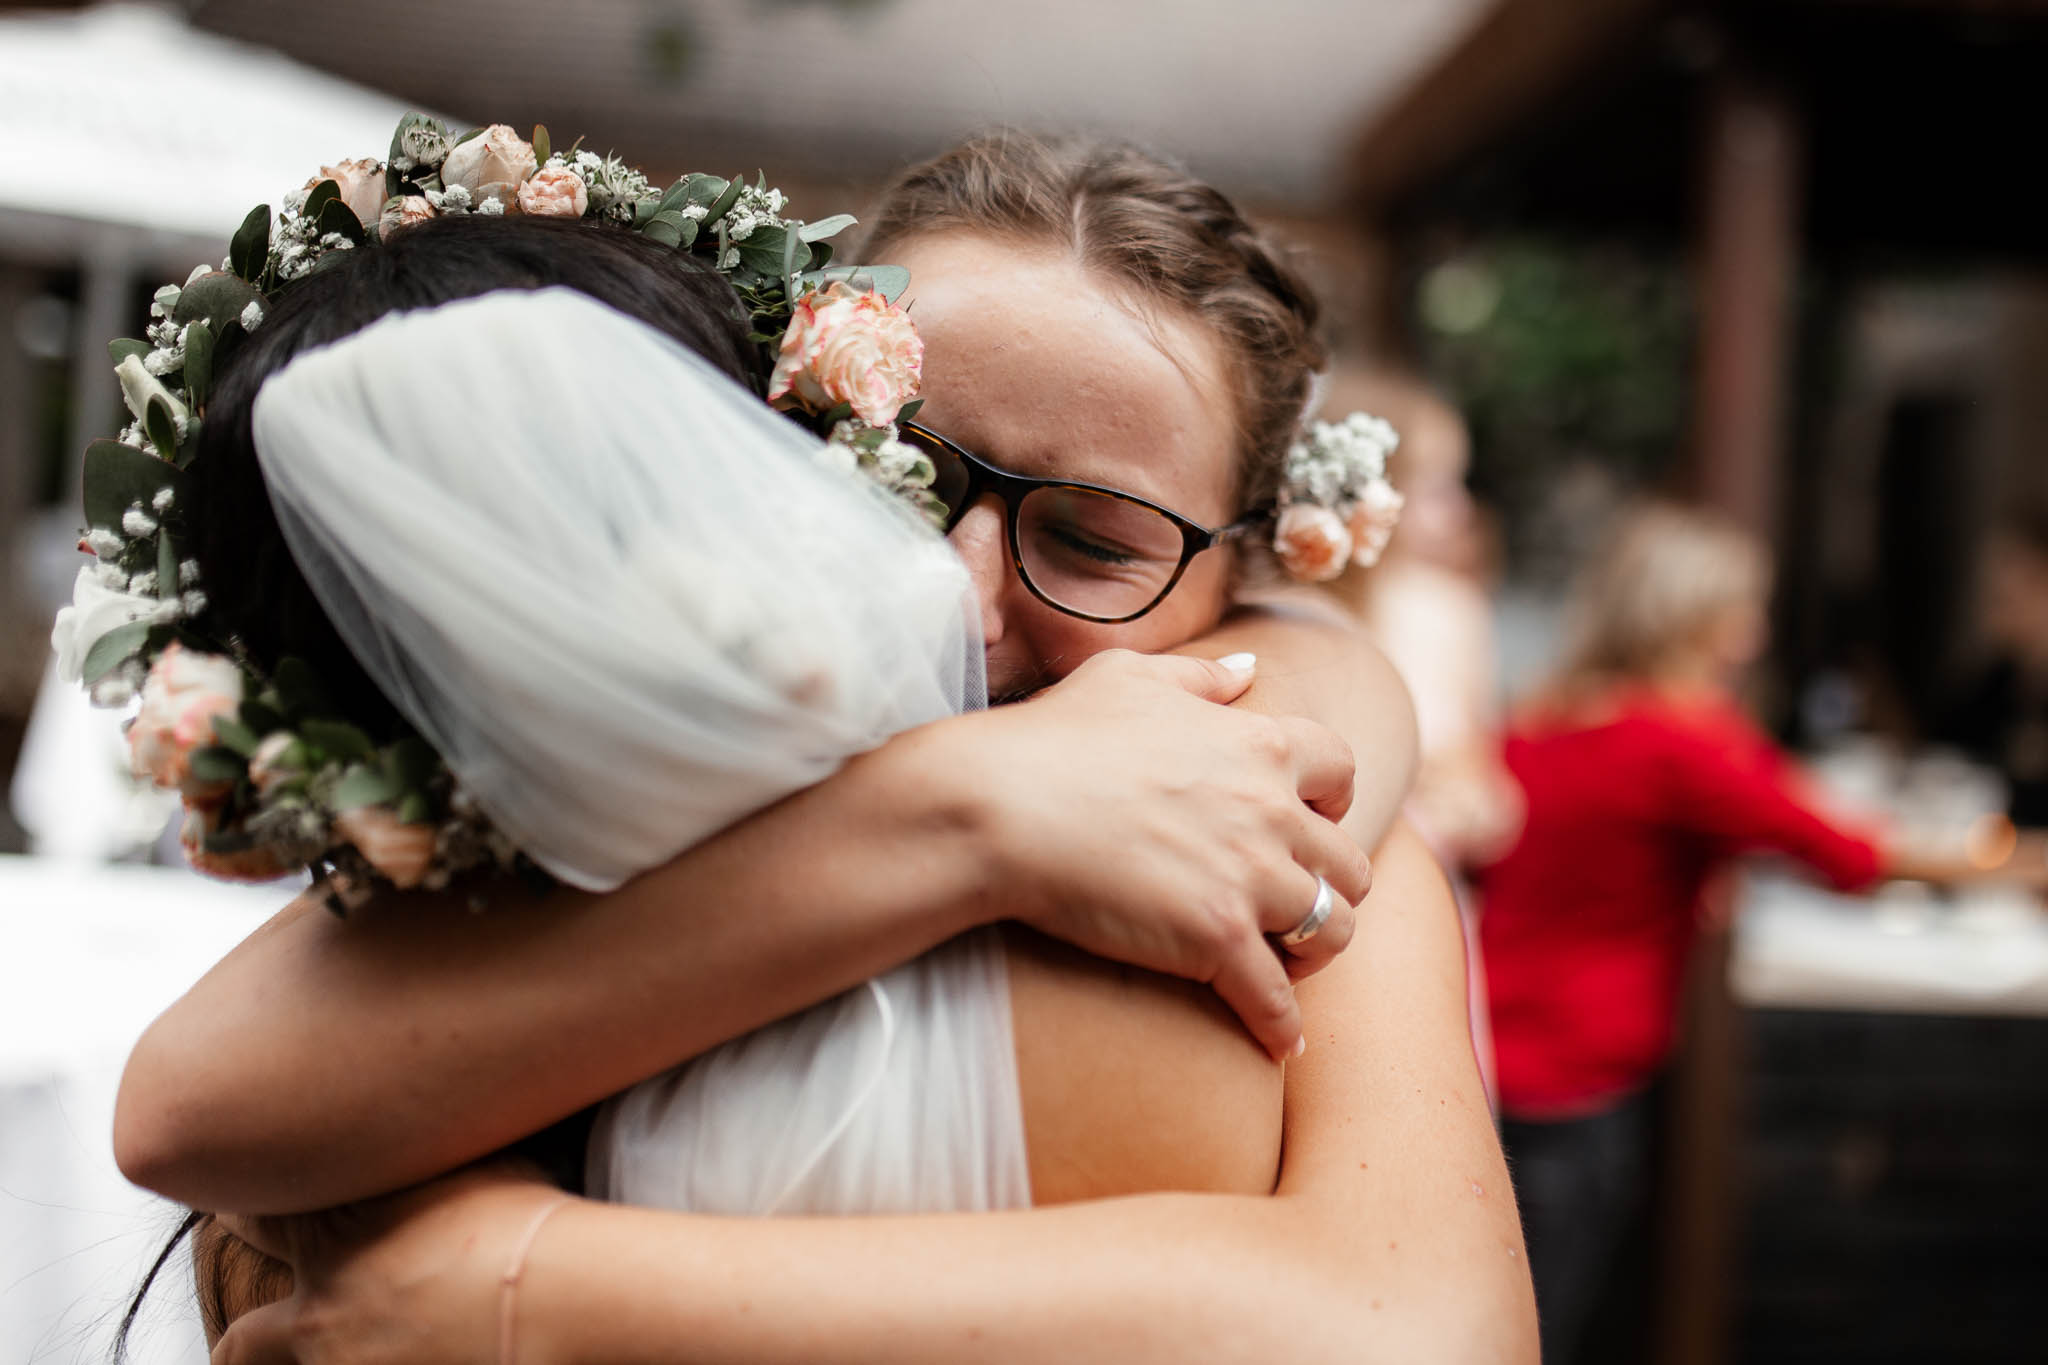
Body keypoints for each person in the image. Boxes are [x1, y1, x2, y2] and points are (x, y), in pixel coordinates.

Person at [118, 133, 1534, 1363]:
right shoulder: (616, 793)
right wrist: (980, 797)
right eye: (906, 470)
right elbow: (185, 1103)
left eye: (1093, 544)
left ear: (1248, 573)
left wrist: (533, 1292)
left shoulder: (1304, 843)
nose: (964, 596)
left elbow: (1428, 1328)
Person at [1475, 500, 2048, 1365]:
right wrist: (2020, 863)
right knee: (1539, 1317)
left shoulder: (1544, 714)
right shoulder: (1683, 739)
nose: (1752, 634)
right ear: (1695, 616)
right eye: (1743, 610)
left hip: (1490, 1041)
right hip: (1576, 1065)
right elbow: (1852, 852)